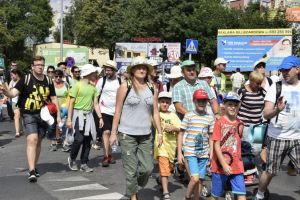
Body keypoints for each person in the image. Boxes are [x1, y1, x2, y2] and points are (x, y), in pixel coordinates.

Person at [0, 56, 61, 182]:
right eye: (37, 64)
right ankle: (32, 170)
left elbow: (54, 98)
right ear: (32, 66)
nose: (40, 67)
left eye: (42, 65)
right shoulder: (25, 79)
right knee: (32, 139)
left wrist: (58, 115)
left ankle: (34, 165)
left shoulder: (48, 81)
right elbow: (13, 93)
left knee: (38, 142)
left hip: (44, 115)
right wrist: (5, 91)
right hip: (29, 114)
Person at [109, 56, 162, 200]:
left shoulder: (152, 88)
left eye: (144, 67)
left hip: (146, 135)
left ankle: (133, 188)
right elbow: (118, 111)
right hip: (127, 134)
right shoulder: (125, 87)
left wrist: (160, 133)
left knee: (148, 168)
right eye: (138, 67)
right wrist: (113, 133)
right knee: (131, 170)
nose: (141, 70)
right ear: (132, 70)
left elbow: (155, 112)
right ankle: (133, 196)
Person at [254, 56, 300, 200]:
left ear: (297, 69)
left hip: (298, 138)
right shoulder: (277, 87)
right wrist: (277, 110)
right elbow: (266, 114)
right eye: (283, 70)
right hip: (277, 137)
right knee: (270, 172)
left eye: (288, 69)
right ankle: (260, 193)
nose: (285, 72)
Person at [177, 89, 214, 200]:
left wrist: (211, 154)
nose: (201, 103)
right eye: (199, 100)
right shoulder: (189, 116)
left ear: (207, 102)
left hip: (203, 154)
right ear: (194, 101)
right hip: (190, 152)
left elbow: (211, 137)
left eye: (204, 101)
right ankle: (187, 197)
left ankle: (195, 198)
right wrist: (179, 153)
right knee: (195, 179)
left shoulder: (209, 118)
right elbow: (181, 134)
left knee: (200, 181)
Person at [67, 64, 103, 173]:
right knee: (79, 139)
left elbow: (96, 104)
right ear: (88, 74)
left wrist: (100, 117)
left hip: (89, 115)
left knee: (88, 141)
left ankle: (84, 163)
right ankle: (72, 158)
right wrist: (69, 119)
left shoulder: (93, 88)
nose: (96, 75)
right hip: (78, 115)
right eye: (94, 73)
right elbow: (71, 103)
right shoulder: (76, 85)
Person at [210, 92, 246, 200]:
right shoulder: (219, 123)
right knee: (215, 195)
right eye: (230, 104)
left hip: (237, 165)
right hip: (220, 166)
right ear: (224, 105)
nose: (233, 107)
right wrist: (224, 164)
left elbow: (238, 144)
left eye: (235, 105)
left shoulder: (240, 123)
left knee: (241, 194)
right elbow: (216, 145)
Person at [154, 91, 181, 200]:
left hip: (171, 147)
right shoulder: (156, 114)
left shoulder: (173, 116)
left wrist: (173, 128)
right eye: (162, 102)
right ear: (159, 103)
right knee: (164, 169)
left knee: (168, 169)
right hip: (161, 147)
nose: (164, 104)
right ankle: (166, 191)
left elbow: (181, 128)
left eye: (167, 102)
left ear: (170, 103)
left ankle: (160, 180)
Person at [96, 60, 120, 167]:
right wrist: (98, 112)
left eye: (109, 70)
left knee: (113, 133)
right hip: (104, 110)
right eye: (106, 70)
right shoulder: (102, 80)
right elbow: (96, 96)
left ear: (114, 70)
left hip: (117, 112)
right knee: (106, 132)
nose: (107, 72)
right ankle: (106, 156)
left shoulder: (120, 81)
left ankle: (110, 154)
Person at [237, 71, 266, 152]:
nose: (259, 85)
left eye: (260, 83)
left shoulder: (262, 91)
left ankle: (252, 163)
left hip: (258, 125)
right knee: (245, 148)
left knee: (257, 149)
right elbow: (236, 108)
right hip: (245, 125)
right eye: (257, 83)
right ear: (251, 81)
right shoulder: (242, 91)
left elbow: (264, 105)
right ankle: (245, 164)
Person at [52, 69, 70, 152]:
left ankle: (65, 143)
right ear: (53, 76)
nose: (58, 78)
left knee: (64, 125)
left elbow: (69, 95)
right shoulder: (51, 84)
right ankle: (54, 142)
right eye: (56, 76)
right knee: (54, 125)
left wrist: (68, 106)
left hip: (64, 107)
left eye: (60, 76)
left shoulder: (65, 84)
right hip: (53, 107)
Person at [8, 69, 23, 137]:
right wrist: (6, 98)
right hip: (15, 101)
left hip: (23, 101)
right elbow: (9, 91)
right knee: (16, 115)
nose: (11, 77)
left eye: (12, 75)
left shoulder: (23, 81)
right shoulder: (11, 82)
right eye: (11, 75)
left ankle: (21, 129)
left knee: (21, 116)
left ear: (16, 74)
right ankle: (17, 132)